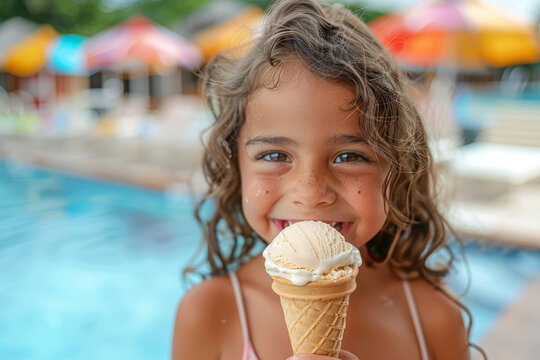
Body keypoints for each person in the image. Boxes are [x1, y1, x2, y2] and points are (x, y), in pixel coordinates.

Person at [172, 0, 484, 359]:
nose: (310, 192)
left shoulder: (433, 315)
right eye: (275, 156)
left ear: (396, 169)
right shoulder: (211, 312)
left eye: (349, 157)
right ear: (235, 166)